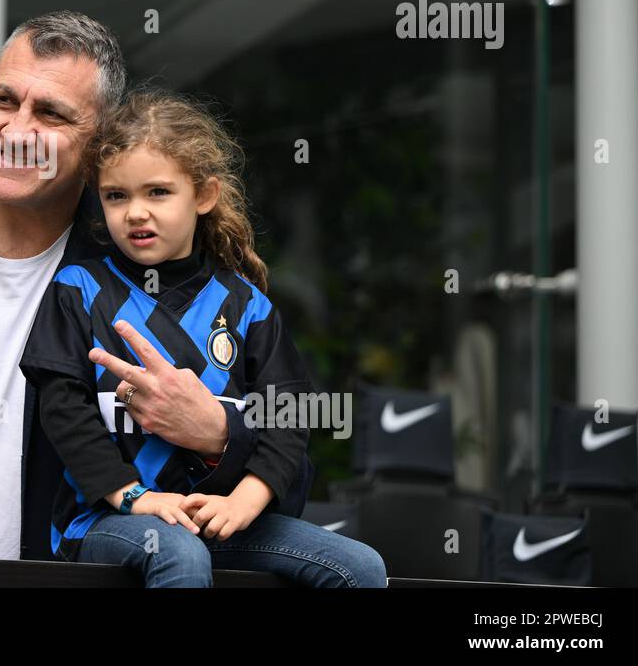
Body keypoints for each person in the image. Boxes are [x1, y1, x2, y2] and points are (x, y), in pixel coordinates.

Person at [0, 11, 314, 562]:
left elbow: (289, 481)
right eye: (4, 100)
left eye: (50, 113)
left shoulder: (140, 261)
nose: (16, 130)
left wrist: (218, 434)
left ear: (99, 144)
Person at [20, 88, 387, 587]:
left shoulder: (247, 304)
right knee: (180, 554)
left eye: (158, 192)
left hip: (220, 519)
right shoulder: (78, 289)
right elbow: (63, 412)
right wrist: (134, 496)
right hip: (107, 519)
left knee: (361, 567)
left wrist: (246, 499)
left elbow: (289, 416)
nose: (135, 212)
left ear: (205, 196)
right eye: (116, 196)